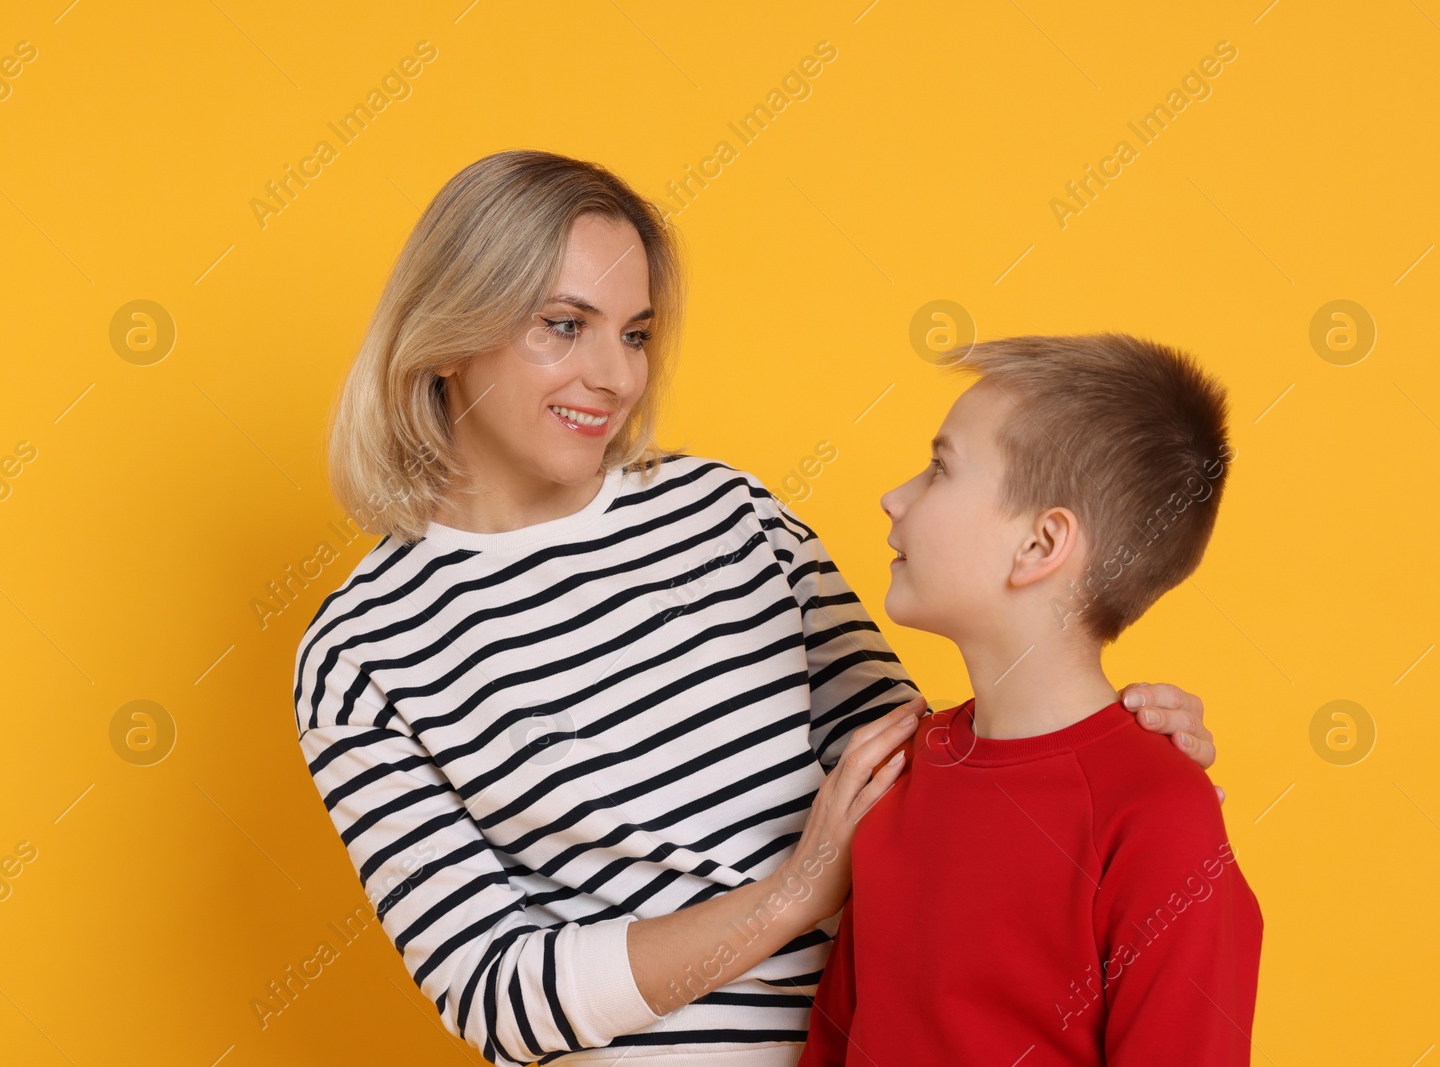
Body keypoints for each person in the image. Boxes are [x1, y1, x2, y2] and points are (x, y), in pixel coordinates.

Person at [292, 149, 1221, 1067]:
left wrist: (1106, 758)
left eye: (636, 332)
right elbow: (498, 994)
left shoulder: (729, 515)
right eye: (563, 324)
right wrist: (793, 893)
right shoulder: (363, 651)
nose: (614, 377)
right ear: (450, 331)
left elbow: (915, 778)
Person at [798, 333, 1262, 1066]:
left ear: (1041, 545)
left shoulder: (1161, 819)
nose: (894, 497)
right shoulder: (894, 775)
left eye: (939, 468)